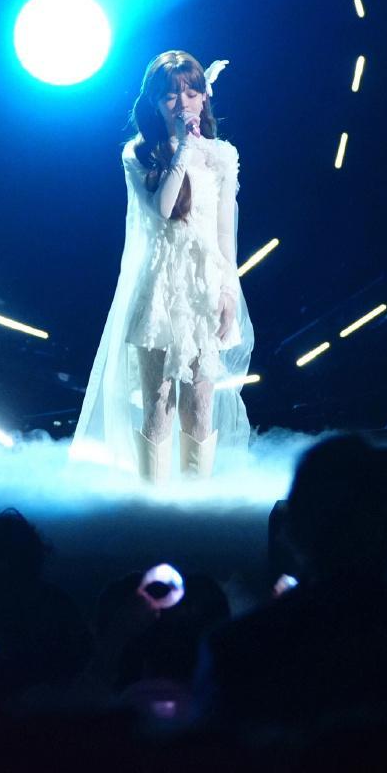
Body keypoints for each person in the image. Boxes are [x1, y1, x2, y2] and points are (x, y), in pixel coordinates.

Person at [71, 51, 254, 484]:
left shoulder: (223, 155)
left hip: (205, 284)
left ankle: (194, 501)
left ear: (204, 97)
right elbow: (164, 208)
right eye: (171, 95)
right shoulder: (137, 153)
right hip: (159, 285)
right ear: (154, 102)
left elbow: (225, 232)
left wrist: (229, 291)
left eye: (191, 93)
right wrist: (184, 147)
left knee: (201, 401)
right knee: (158, 402)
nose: (182, 103)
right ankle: (155, 504)